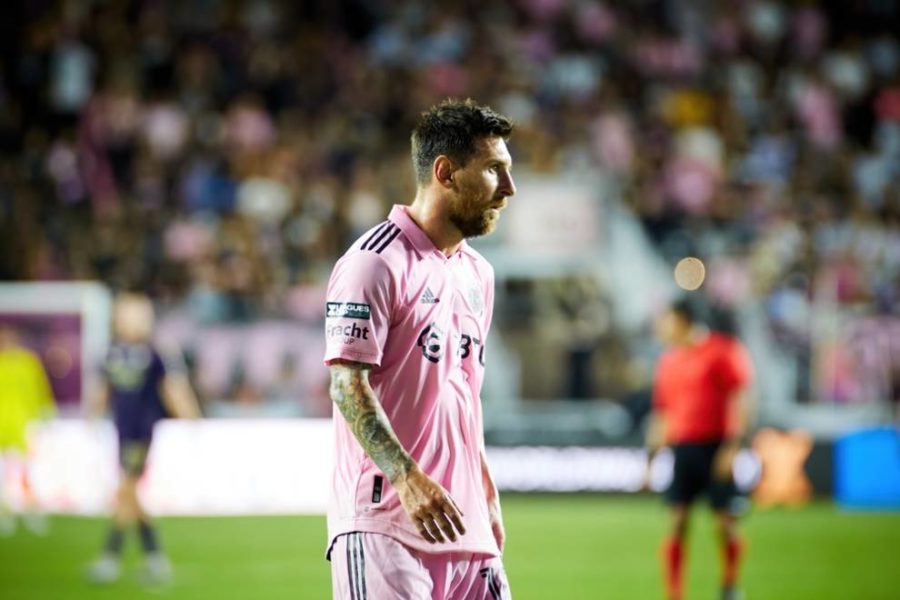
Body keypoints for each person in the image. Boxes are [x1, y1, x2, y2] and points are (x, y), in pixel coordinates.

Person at [323, 98, 516, 600]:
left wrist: (484, 486)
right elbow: (346, 385)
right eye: (494, 170)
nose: (509, 188)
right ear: (445, 172)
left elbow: (463, 393)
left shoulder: (478, 274)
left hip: (465, 525)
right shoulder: (373, 263)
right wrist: (406, 478)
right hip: (386, 524)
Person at [85, 292, 200, 585]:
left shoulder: (155, 351)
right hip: (121, 432)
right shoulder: (112, 351)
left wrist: (190, 416)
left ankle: (112, 558)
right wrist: (92, 415)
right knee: (130, 495)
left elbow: (172, 388)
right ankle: (153, 559)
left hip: (142, 432)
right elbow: (103, 387)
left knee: (126, 491)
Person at [646, 299, 754, 600]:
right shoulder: (668, 360)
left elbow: (740, 398)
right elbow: (663, 411)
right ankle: (675, 595)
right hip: (683, 448)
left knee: (725, 523)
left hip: (715, 447)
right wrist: (650, 458)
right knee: (677, 521)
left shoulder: (721, 350)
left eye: (667, 320)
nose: (662, 327)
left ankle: (730, 585)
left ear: (683, 320)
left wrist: (733, 446)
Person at [0, 323, 56, 536]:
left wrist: (45, 413)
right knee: (5, 474)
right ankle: (5, 513)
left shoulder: (28, 363)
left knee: (26, 471)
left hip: (23, 425)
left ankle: (31, 511)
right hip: (4, 426)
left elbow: (40, 389)